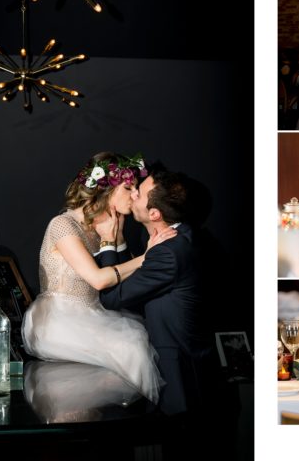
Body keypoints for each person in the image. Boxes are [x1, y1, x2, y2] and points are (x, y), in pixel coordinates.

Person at [22, 153, 175, 404]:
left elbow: (124, 278)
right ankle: (144, 429)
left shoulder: (106, 226)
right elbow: (99, 280)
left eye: (136, 188)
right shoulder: (63, 224)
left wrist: (117, 238)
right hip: (56, 319)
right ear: (106, 191)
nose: (135, 195)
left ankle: (139, 423)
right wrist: (147, 257)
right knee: (132, 346)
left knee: (142, 337)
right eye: (128, 188)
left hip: (93, 314)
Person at [97, 170, 209, 418]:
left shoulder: (169, 253)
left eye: (139, 194)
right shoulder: (180, 237)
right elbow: (139, 278)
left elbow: (111, 298)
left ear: (154, 214)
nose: (133, 193)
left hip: (179, 380)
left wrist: (107, 241)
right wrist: (121, 239)